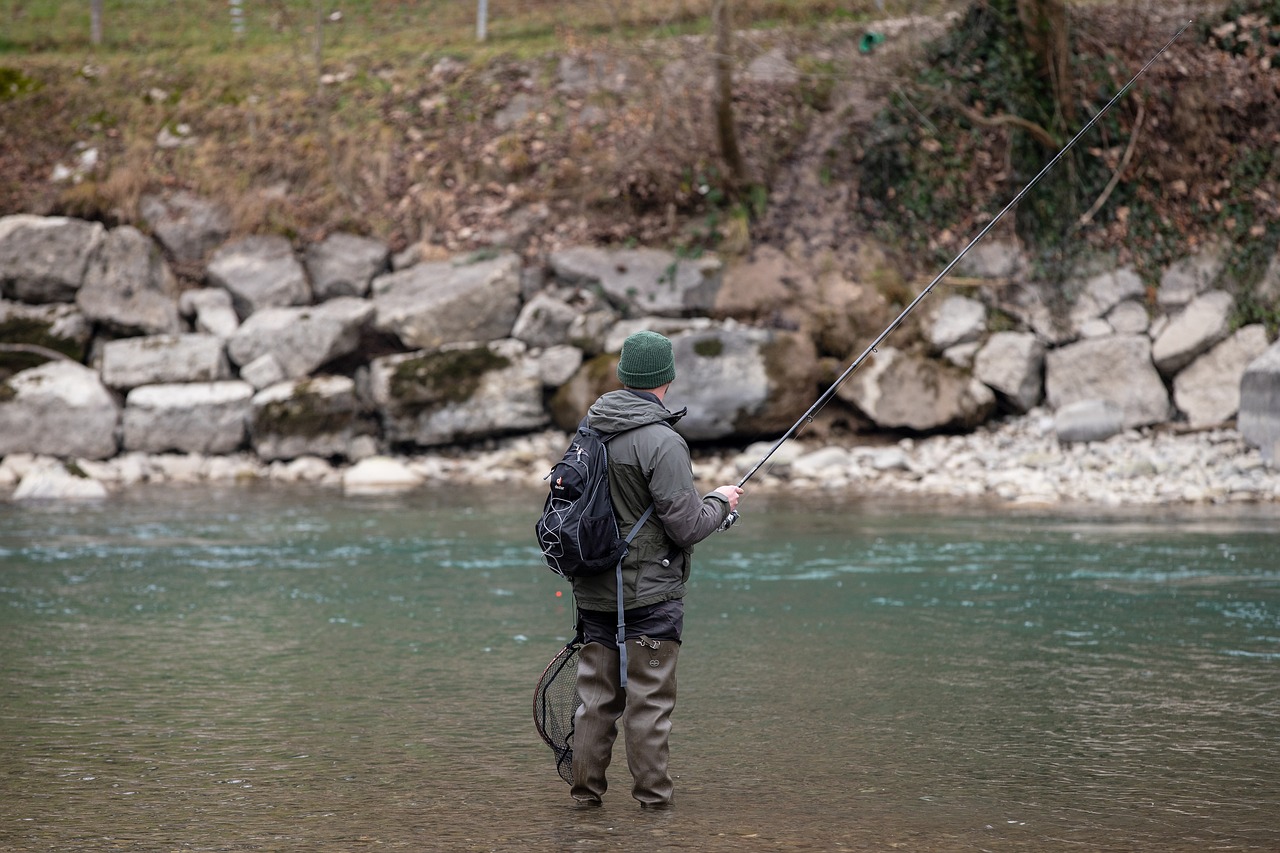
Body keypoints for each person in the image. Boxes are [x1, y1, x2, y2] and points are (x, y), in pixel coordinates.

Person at [568, 329, 743, 810]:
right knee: (649, 703)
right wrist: (720, 502)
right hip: (650, 597)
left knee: (596, 702)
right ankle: (654, 807)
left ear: (625, 375)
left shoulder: (592, 428)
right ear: (666, 377)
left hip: (594, 590)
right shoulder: (662, 442)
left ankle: (584, 801)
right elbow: (686, 527)